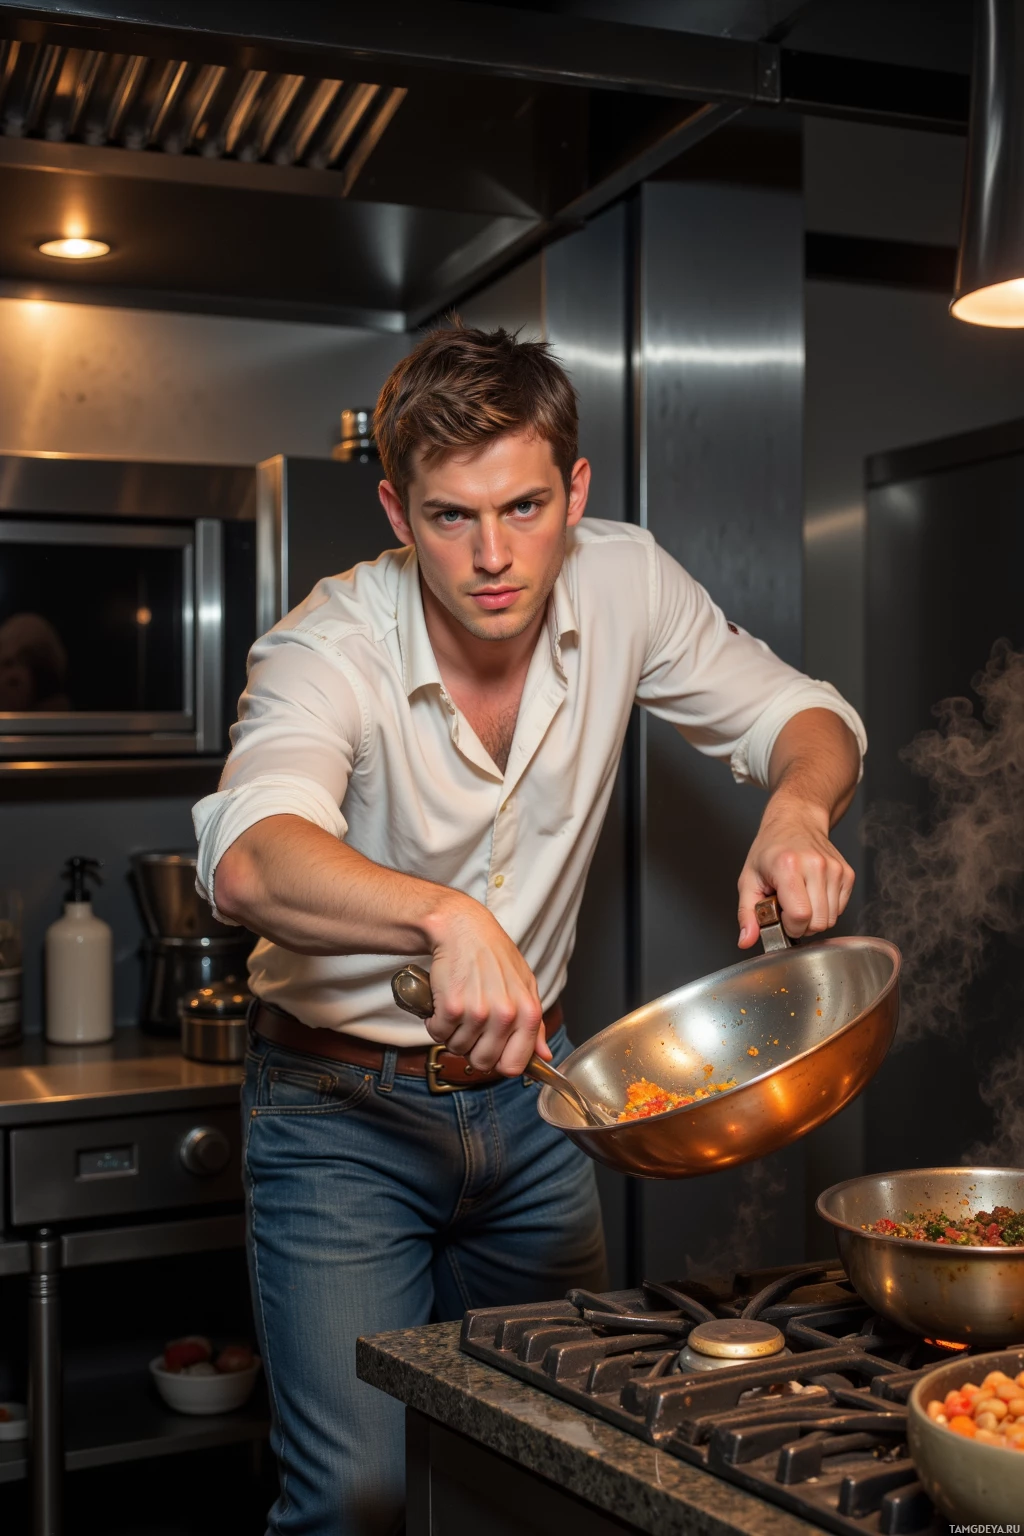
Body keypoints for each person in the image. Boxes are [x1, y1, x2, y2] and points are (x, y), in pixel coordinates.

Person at [193, 324, 864, 1535]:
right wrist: (441, 915)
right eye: (451, 517)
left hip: (539, 1105)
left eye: (524, 508)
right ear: (397, 512)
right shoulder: (325, 646)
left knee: (557, 1462)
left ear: (576, 492)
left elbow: (800, 716)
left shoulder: (625, 581)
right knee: (360, 1498)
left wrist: (796, 809)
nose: (494, 555)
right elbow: (248, 860)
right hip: (340, 1121)